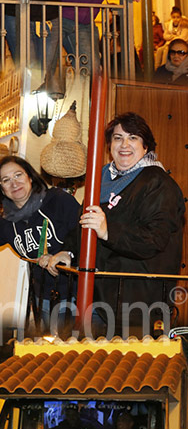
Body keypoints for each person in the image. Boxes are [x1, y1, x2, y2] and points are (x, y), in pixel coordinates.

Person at [45, 112, 185, 336]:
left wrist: (108, 231)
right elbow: (85, 221)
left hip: (137, 302)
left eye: (133, 138)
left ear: (146, 146)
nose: (124, 144)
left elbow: (154, 239)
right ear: (109, 145)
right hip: (100, 295)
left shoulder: (158, 183)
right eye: (118, 138)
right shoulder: (101, 178)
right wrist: (69, 251)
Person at [0, 155, 80, 328]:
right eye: (6, 180)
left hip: (79, 293)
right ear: (2, 189)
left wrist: (65, 252)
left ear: (29, 176)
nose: (14, 183)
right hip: (44, 298)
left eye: (18, 175)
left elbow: (83, 231)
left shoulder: (58, 200)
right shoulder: (6, 222)